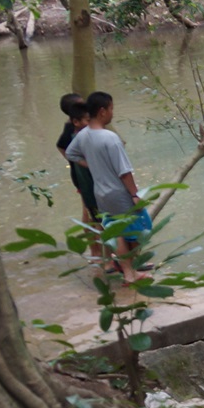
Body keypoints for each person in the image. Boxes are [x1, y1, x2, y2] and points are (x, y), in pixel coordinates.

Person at [66, 91, 150, 283]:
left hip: (100, 193)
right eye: (111, 108)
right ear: (102, 111)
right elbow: (124, 172)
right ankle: (130, 271)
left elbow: (71, 154)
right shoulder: (110, 138)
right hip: (118, 193)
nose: (113, 113)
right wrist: (135, 194)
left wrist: (93, 165)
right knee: (138, 228)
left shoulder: (83, 135)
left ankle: (128, 272)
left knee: (115, 231)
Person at [56, 94, 100, 233]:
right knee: (89, 212)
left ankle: (97, 249)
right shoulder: (70, 129)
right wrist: (75, 160)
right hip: (82, 177)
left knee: (91, 211)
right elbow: (61, 146)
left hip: (85, 175)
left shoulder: (81, 128)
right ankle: (95, 249)